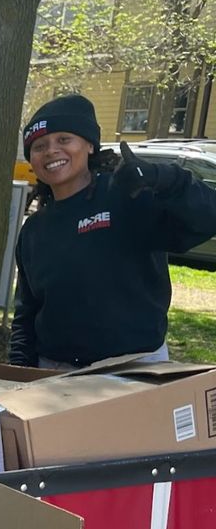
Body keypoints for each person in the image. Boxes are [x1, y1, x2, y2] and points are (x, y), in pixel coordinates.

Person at [12, 93, 216, 369]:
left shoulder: (127, 195)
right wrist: (18, 369)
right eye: (39, 146)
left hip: (135, 367)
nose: (51, 151)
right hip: (55, 374)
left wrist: (162, 178)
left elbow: (207, 218)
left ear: (90, 146)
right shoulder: (34, 230)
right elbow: (27, 312)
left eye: (64, 140)